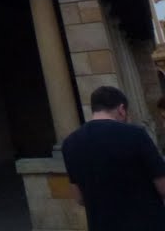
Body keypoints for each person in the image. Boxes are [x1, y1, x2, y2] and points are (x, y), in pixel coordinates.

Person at [62, 85, 165, 231]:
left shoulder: (69, 143)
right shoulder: (135, 135)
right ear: (121, 109)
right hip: (146, 223)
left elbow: (79, 198)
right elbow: (163, 187)